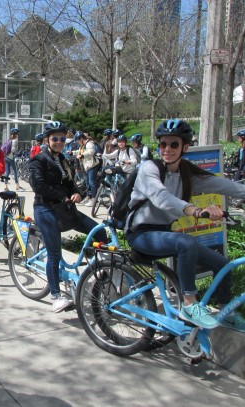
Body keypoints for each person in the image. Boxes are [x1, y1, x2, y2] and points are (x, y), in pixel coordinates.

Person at [125, 119, 245, 331]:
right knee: (186, 242)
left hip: (164, 233)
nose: (167, 149)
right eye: (163, 144)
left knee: (222, 264)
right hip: (140, 234)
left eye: (174, 144)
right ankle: (189, 305)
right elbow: (161, 197)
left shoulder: (186, 174)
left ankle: (225, 311)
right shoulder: (149, 169)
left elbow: (223, 185)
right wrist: (195, 210)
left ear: (185, 147)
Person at [30, 121, 107, 313]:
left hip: (65, 209)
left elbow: (70, 182)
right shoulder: (38, 160)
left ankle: (100, 273)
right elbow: (37, 185)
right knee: (54, 254)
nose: (59, 142)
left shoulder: (63, 159)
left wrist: (76, 193)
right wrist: (61, 196)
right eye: (55, 138)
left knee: (99, 232)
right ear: (47, 140)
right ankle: (56, 296)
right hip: (45, 209)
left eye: (62, 139)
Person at [73, 131, 100, 207]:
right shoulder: (83, 145)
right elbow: (79, 151)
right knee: (87, 183)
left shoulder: (89, 144)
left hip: (92, 165)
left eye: (78, 140)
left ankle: (94, 199)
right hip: (87, 166)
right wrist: (72, 152)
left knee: (91, 182)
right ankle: (89, 197)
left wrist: (82, 156)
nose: (78, 142)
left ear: (81, 139)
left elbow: (90, 152)